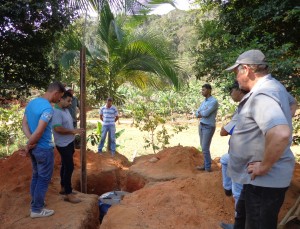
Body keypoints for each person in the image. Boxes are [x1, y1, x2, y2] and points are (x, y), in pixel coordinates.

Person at [225, 49, 295, 229]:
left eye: (236, 73)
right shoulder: (275, 86)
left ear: (246, 70)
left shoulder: (261, 95)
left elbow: (281, 133)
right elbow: (293, 103)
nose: (236, 78)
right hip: (255, 179)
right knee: (242, 218)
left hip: (264, 181)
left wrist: (264, 166)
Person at [21, 82, 65, 218]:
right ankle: (37, 209)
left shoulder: (32, 103)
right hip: (44, 149)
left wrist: (30, 142)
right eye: (60, 97)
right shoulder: (48, 109)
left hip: (35, 147)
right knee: (43, 179)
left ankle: (36, 203)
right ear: (56, 93)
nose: (59, 100)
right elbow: (39, 132)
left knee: (36, 175)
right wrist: (29, 144)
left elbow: (24, 124)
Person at [52, 91, 85, 203]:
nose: (70, 103)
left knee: (65, 166)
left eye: (71, 101)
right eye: (68, 101)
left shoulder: (65, 110)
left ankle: (63, 187)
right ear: (61, 99)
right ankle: (68, 193)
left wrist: (74, 132)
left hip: (69, 142)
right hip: (63, 144)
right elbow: (58, 129)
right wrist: (73, 131)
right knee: (69, 167)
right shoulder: (56, 112)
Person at [220, 81, 246, 205]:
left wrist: (225, 126)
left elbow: (223, 132)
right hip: (244, 151)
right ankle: (227, 187)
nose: (231, 93)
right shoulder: (246, 105)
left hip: (242, 153)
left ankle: (240, 222)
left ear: (239, 90)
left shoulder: (244, 109)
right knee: (224, 160)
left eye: (232, 90)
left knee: (238, 190)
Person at [195, 84, 219, 172]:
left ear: (209, 90)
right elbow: (197, 113)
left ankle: (208, 168)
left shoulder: (214, 101)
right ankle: (205, 165)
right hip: (201, 125)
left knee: (205, 147)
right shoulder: (204, 101)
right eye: (202, 90)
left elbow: (205, 114)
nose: (202, 92)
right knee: (203, 147)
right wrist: (201, 113)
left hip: (208, 126)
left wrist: (201, 112)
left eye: (204, 90)